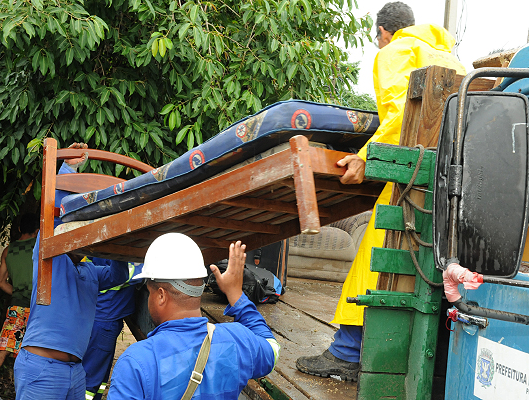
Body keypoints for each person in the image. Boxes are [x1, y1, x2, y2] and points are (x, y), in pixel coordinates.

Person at [296, 1, 466, 381]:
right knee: (433, 267)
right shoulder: (454, 59)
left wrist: (363, 156)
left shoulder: (396, 51)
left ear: (384, 33)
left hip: (413, 174)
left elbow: (400, 114)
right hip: (454, 182)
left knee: (376, 255)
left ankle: (347, 351)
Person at [14, 143, 130, 400]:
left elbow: (119, 276)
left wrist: (114, 244)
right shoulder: (50, 258)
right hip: (42, 369)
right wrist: (69, 168)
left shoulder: (92, 271)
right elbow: (53, 210)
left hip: (75, 372)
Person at [107, 233, 280, 399]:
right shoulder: (238, 340)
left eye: (149, 292)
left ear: (161, 295)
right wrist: (236, 294)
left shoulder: (135, 363)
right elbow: (272, 349)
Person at [0, 213, 39, 388]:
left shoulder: (8, 251)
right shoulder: (40, 247)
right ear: (38, 230)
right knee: (34, 348)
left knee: (5, 344)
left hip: (17, 305)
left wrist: (18, 292)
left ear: (19, 229)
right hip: (39, 307)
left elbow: (1, 283)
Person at [82, 261, 143, 400]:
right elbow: (125, 274)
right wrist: (145, 266)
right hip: (104, 321)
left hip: (105, 318)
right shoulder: (110, 257)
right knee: (91, 377)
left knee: (99, 375)